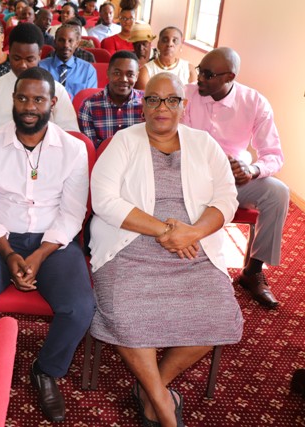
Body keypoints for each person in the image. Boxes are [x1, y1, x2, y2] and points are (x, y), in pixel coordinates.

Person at [89, 72, 243, 427]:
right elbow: (105, 201)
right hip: (129, 244)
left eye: (171, 99)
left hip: (194, 248)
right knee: (126, 313)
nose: (163, 107)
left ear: (183, 106)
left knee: (219, 315)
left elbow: (227, 198)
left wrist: (193, 233)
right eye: (154, 99)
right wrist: (165, 231)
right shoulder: (123, 142)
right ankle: (161, 403)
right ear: (142, 106)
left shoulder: (204, 144)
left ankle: (149, 389)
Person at [0, 67, 94, 423]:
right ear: (13, 100)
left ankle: (46, 369)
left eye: (38, 99)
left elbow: (74, 213)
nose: (30, 106)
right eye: (23, 98)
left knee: (79, 308)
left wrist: (41, 254)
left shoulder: (74, 149)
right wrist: (8, 252)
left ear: (53, 103)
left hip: (53, 242)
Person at [183, 47, 289, 309]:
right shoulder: (187, 95)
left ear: (229, 76)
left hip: (232, 180)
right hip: (188, 175)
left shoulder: (254, 103)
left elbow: (273, 154)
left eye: (208, 74)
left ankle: (252, 271)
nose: (200, 79)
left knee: (277, 193)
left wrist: (251, 170)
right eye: (200, 71)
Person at [0, 23, 79, 139]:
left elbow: (70, 133)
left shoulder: (57, 90)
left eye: (30, 59)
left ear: (39, 55)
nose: (23, 65)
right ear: (9, 52)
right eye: (17, 58)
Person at [78, 50, 143, 148]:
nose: (123, 79)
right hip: (103, 160)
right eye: (117, 73)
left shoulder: (147, 103)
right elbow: (91, 149)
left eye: (130, 75)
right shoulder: (89, 106)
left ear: (137, 76)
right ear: (108, 73)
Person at [40, 23, 97, 99]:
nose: (66, 45)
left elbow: (90, 100)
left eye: (70, 41)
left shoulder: (88, 70)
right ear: (55, 42)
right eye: (61, 40)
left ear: (77, 44)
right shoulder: (41, 67)